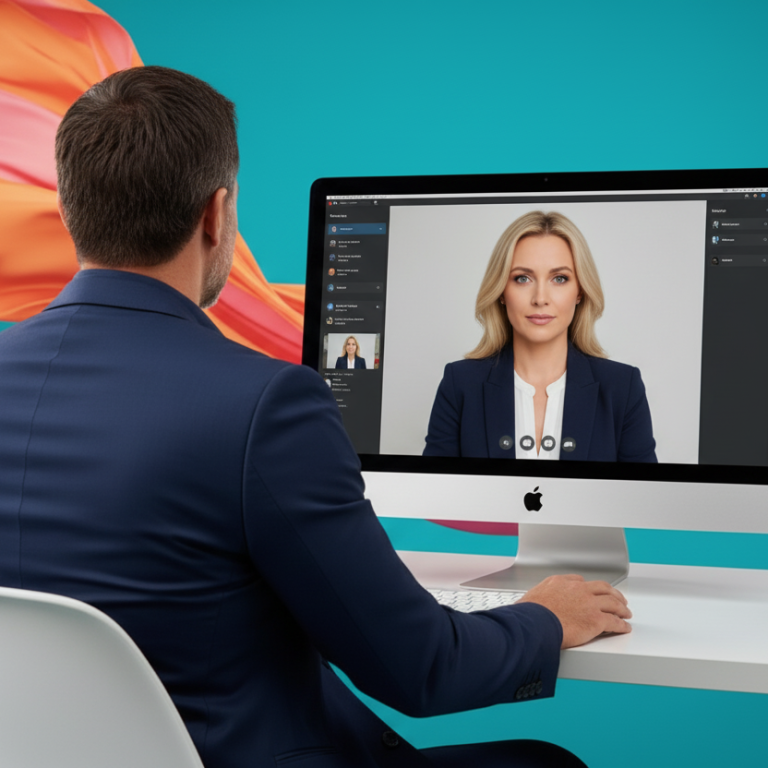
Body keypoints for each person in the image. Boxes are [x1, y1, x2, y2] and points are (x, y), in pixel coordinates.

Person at [0, 68, 632, 768]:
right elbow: (419, 669)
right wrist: (545, 617)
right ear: (217, 215)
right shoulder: (263, 403)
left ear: (67, 209)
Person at [424, 211, 657, 462]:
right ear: (501, 290)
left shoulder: (623, 388)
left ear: (580, 291)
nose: (540, 298)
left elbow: (642, 498)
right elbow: (437, 494)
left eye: (559, 278)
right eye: (522, 278)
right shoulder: (459, 384)